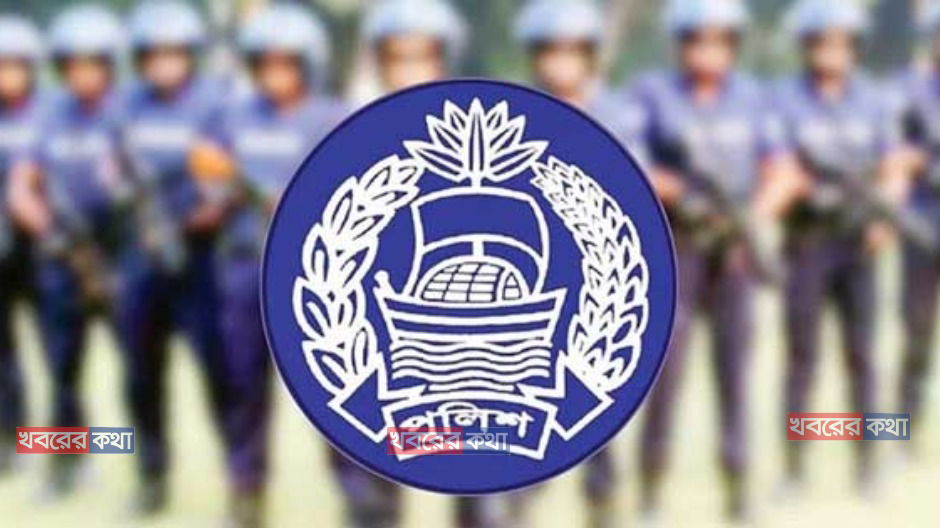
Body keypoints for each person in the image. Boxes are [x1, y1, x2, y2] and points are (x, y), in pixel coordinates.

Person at [628, 0, 793, 522]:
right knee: (665, 377)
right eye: (697, 39)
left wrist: (753, 218)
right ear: (680, 43)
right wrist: (676, 191)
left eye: (720, 40)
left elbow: (782, 169)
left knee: (734, 376)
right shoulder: (651, 93)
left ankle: (737, 489)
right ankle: (651, 490)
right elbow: (630, 158)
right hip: (677, 247)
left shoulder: (754, 98)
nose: (708, 50)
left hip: (734, 252)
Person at [189, 4, 346, 527]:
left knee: (336, 390)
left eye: (287, 62)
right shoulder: (232, 116)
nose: (275, 73)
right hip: (245, 270)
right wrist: (220, 196)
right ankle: (246, 491)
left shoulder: (331, 117)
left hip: (317, 279)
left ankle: (360, 499)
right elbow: (208, 179)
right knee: (243, 387)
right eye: (265, 63)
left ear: (308, 63)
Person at [773, 0, 907, 497]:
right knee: (802, 358)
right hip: (807, 241)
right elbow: (777, 162)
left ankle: (870, 461)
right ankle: (793, 469)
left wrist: (885, 219)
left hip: (859, 245)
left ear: (854, 46)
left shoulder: (875, 99)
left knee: (864, 357)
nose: (833, 51)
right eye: (823, 41)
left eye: (842, 42)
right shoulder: (783, 99)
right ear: (806, 46)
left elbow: (893, 165)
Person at [513, 1, 633, 526]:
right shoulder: (514, 113)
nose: (561, 62)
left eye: (572, 51)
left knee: (595, 388)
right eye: (551, 51)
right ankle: (520, 488)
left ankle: (601, 498)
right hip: (535, 278)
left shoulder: (620, 114)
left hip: (599, 276)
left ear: (590, 55)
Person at [7, 3, 125, 499]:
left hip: (119, 261)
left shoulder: (126, 114)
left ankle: (142, 465)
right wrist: (47, 231)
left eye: (94, 63)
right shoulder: (50, 117)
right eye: (74, 64)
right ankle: (64, 463)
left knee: (140, 368)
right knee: (63, 371)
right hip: (58, 261)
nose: (84, 74)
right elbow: (22, 186)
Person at [117, 0, 229, 515]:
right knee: (141, 376)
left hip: (198, 261)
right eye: (154, 54)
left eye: (174, 52)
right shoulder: (128, 104)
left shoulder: (214, 104)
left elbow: (224, 180)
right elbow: (114, 166)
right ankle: (151, 476)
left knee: (218, 374)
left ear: (190, 55)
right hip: (142, 258)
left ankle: (241, 481)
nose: (164, 63)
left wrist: (202, 212)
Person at [892, 2, 940, 453]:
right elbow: (892, 155)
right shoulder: (910, 89)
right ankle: (904, 431)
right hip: (924, 228)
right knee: (917, 332)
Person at [0, 15, 43, 474]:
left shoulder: (50, 114)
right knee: (5, 355)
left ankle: (73, 448)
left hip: (45, 251)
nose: (7, 74)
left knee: (60, 355)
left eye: (15, 64)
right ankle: (13, 442)